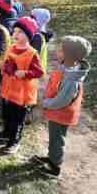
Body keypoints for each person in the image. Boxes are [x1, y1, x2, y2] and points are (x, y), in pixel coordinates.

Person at [35, 36, 92, 178]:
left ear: (70, 55)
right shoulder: (66, 66)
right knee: (55, 136)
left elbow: (62, 100)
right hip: (57, 111)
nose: (57, 51)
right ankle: (52, 157)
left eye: (61, 49)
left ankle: (55, 167)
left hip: (61, 112)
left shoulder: (72, 79)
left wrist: (46, 103)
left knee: (57, 138)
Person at [0, 17, 44, 154]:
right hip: (8, 90)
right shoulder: (11, 48)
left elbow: (39, 72)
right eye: (14, 31)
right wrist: (3, 66)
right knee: (6, 114)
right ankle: (6, 133)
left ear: (28, 36)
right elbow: (6, 64)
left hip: (22, 94)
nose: (15, 34)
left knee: (17, 119)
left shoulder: (32, 53)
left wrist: (26, 73)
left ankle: (14, 141)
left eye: (20, 32)